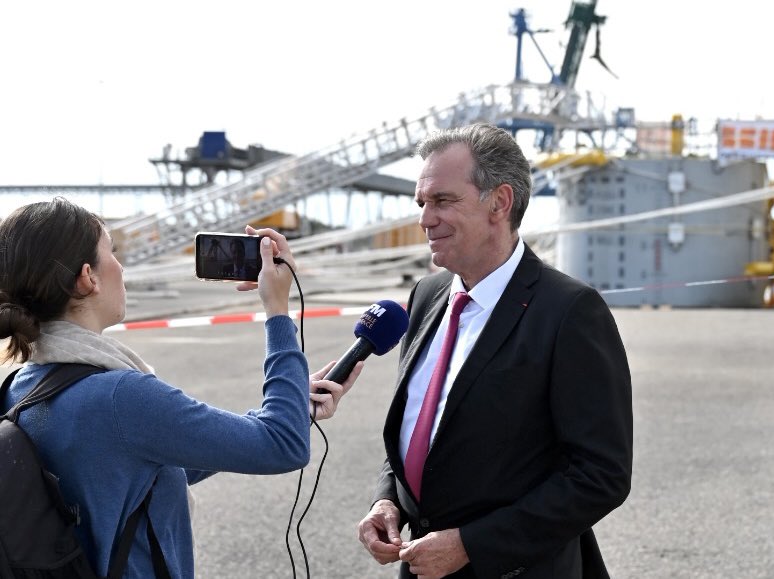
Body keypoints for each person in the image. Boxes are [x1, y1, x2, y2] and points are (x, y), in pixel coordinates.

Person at [0, 198, 360, 577]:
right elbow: (283, 446)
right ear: (88, 277)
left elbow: (141, 471)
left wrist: (290, 410)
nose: (121, 267)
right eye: (113, 252)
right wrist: (277, 308)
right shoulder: (122, 397)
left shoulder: (21, 386)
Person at [357, 124, 632, 579]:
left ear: (499, 203)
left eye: (443, 201)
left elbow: (600, 476)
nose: (425, 219)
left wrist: (471, 545)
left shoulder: (569, 312)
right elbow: (424, 430)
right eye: (422, 203)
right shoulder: (426, 296)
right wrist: (388, 499)